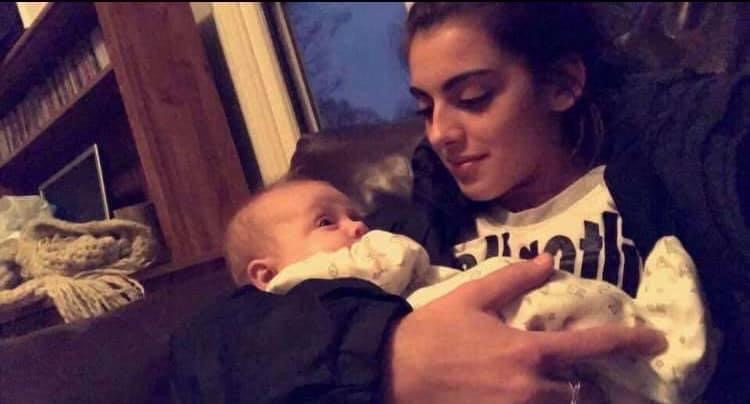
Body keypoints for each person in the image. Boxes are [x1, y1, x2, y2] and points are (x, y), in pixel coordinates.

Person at [171, 3, 750, 403]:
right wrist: (385, 357)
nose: (439, 133)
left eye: (472, 98)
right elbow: (206, 355)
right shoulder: (407, 229)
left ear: (561, 85)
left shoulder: (678, 174)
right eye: (425, 108)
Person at [223, 178, 715, 404]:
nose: (357, 227)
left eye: (355, 215)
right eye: (326, 222)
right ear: (265, 274)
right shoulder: (307, 289)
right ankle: (664, 354)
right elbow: (398, 262)